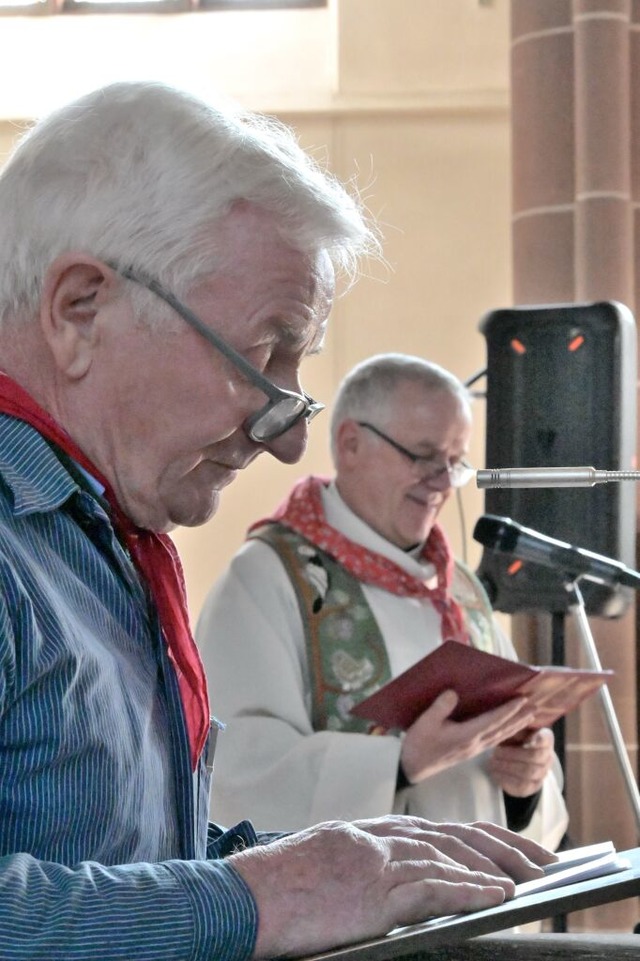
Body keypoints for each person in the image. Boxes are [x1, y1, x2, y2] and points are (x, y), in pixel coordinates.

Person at [0, 83, 557, 960]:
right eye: (263, 356)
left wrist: (337, 865)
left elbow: (127, 864)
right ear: (80, 311)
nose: (292, 439)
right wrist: (258, 896)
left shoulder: (101, 545)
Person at [197, 354, 569, 852]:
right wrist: (400, 763)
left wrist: (525, 783)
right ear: (350, 443)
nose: (441, 482)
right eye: (423, 456)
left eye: (454, 463)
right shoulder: (267, 579)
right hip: (359, 921)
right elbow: (235, 774)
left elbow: (515, 774)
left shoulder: (458, 590)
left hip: (481, 910)